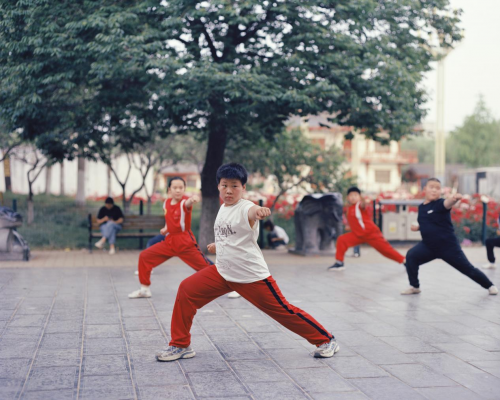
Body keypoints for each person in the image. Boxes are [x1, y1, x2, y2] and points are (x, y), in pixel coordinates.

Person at [155, 163, 339, 362]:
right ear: (218, 186)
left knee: (283, 311)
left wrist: (259, 211)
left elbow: (252, 213)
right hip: (223, 272)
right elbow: (234, 234)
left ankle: (326, 340)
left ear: (243, 188)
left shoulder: (246, 207)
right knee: (186, 290)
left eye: (235, 186)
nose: (229, 190)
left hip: (250, 276)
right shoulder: (224, 208)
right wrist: (219, 245)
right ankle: (180, 344)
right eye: (225, 185)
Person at [402, 178, 498, 295]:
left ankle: (490, 285)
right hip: (428, 246)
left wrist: (454, 199)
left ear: (440, 191)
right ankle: (415, 286)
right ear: (425, 189)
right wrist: (417, 227)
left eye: (437, 188)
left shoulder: (440, 204)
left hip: (448, 247)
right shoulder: (422, 207)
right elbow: (428, 223)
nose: (434, 190)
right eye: (431, 187)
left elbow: (447, 203)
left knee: (468, 269)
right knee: (411, 256)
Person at [128, 177, 214, 299]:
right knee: (144, 256)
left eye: (181, 188)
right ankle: (144, 289)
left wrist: (193, 199)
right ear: (169, 189)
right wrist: (166, 228)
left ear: (184, 189)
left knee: (205, 268)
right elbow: (170, 219)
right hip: (170, 242)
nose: (178, 190)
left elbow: (188, 203)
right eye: (175, 188)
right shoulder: (166, 203)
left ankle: (232, 284)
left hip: (185, 242)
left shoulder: (184, 203)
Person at [328, 187, 405, 271]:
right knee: (342, 240)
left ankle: (405, 261)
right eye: (351, 195)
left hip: (371, 233)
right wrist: (350, 227)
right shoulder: (350, 208)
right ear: (347, 197)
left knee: (385, 250)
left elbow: (364, 206)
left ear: (359, 197)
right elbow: (357, 222)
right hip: (358, 235)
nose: (353, 197)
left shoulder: (360, 205)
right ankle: (339, 263)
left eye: (355, 195)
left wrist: (365, 202)